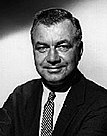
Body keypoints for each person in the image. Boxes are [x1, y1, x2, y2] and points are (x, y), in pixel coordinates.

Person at [0, 8, 107, 136]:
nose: (52, 58)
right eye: (42, 48)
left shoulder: (100, 102)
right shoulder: (21, 96)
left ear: (80, 51)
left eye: (62, 46)